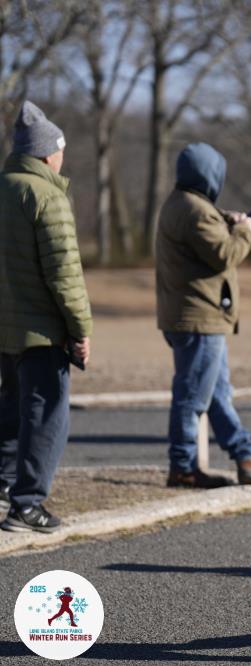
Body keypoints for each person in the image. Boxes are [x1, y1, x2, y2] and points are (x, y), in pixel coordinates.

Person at [156, 142, 251, 489]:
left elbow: (206, 241)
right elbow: (225, 254)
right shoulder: (196, 210)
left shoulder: (181, 203)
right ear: (209, 174)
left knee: (216, 395)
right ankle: (183, 467)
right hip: (200, 319)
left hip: (192, 317)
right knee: (192, 397)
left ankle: (247, 457)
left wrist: (226, 220)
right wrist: (245, 230)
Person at [0, 101, 91, 533]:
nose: (62, 158)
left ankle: (3, 485)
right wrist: (80, 330)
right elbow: (65, 275)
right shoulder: (47, 196)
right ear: (46, 154)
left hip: (5, 328)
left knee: (12, 408)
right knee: (47, 416)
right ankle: (27, 504)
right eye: (60, 150)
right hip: (41, 331)